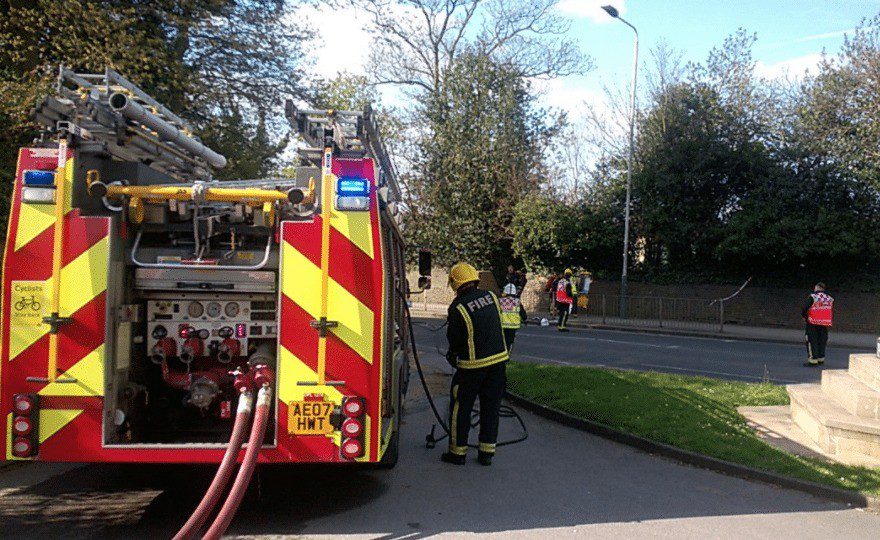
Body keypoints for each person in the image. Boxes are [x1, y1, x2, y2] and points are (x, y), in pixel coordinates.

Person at [443, 262, 510, 466]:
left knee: (461, 408)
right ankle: (486, 453)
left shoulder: (458, 307)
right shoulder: (491, 297)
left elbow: (454, 339)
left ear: (455, 284)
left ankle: (458, 453)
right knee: (491, 407)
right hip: (498, 362)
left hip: (472, 368)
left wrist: (453, 355)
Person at [802, 282, 833, 367]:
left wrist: (805, 317)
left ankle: (813, 360)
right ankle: (821, 359)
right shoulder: (829, 298)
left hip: (812, 322)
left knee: (812, 341)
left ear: (816, 287)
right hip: (824, 323)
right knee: (821, 341)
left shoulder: (813, 297)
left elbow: (805, 308)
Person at [500, 283, 527, 349]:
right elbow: (522, 312)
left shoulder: (500, 301)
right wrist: (525, 319)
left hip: (502, 325)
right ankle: (508, 354)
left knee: (502, 342)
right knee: (509, 342)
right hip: (513, 326)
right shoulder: (517, 302)